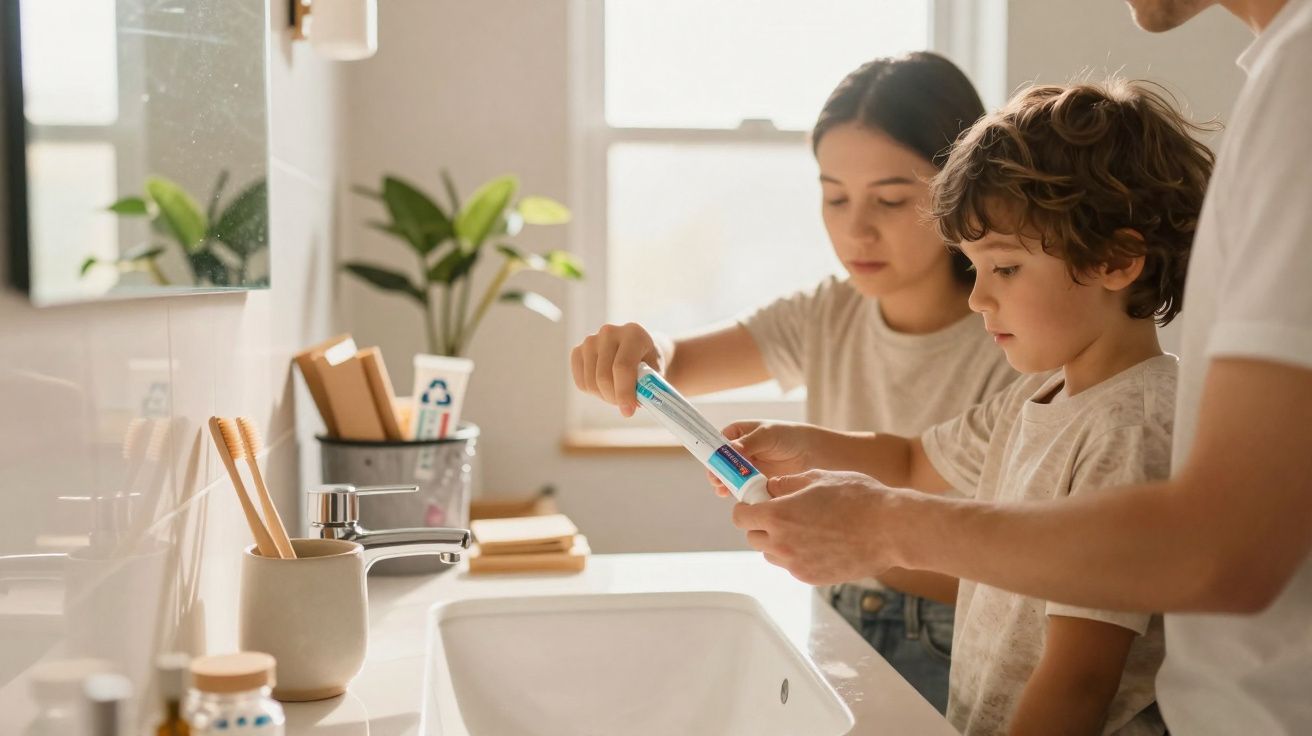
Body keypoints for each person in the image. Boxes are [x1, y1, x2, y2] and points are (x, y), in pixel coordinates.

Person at [729, 1, 1312, 732]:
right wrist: (804, 447)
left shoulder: (1130, 427)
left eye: (1003, 267)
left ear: (1115, 259)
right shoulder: (1036, 398)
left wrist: (882, 527)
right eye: (973, 267)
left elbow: (1076, 682)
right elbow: (912, 462)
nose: (977, 297)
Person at [570, 52, 1015, 710]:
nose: (854, 228)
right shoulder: (828, 314)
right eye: (834, 196)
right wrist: (642, 349)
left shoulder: (1013, 340)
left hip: (956, 646)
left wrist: (857, 541)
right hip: (833, 625)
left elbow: (1026, 571)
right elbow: (675, 359)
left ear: (962, 192)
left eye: (890, 200)